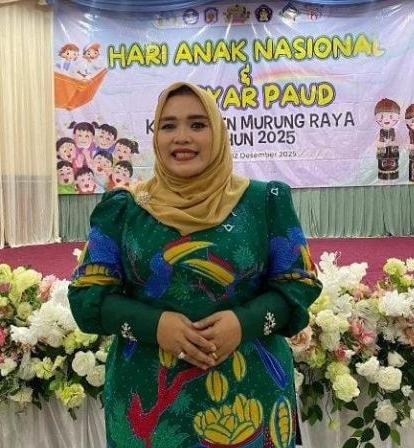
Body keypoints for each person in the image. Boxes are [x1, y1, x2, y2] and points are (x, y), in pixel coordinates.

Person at [69, 81, 322, 448]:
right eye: (168, 125)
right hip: (149, 406)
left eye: (198, 124)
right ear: (156, 137)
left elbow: (297, 286)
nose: (182, 137)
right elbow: (86, 301)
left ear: (217, 133)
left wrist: (243, 323)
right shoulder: (123, 209)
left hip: (251, 400)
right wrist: (156, 326)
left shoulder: (264, 202)